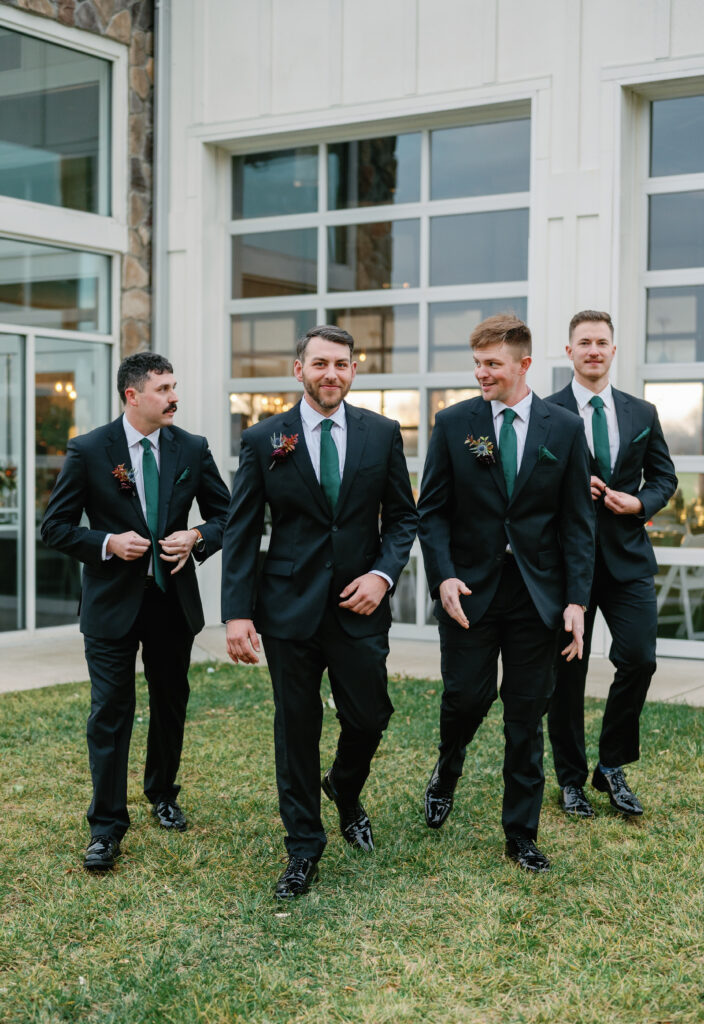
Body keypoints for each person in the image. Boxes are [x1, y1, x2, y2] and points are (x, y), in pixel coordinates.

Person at [221, 325, 417, 899]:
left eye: (341, 364)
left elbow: (403, 518)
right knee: (297, 730)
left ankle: (346, 788)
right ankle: (303, 849)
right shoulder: (263, 439)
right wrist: (237, 612)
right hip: (287, 610)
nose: (331, 373)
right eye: (320, 363)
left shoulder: (381, 434)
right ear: (299, 369)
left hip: (360, 607)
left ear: (354, 371)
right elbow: (241, 527)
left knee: (370, 715)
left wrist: (382, 576)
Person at [418, 314, 595, 872]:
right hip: (468, 590)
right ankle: (449, 765)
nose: (481, 374)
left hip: (537, 598)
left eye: (492, 364)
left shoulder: (563, 428)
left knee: (526, 715)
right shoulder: (453, 423)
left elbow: (576, 523)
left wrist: (576, 600)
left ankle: (521, 834)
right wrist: (443, 575)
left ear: (524, 365)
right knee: (466, 698)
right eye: (477, 363)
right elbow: (432, 512)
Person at [41, 353, 230, 871]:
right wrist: (105, 543)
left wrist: (195, 536)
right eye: (164, 388)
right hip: (110, 606)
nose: (174, 397)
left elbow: (226, 513)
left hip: (173, 603)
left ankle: (162, 793)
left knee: (170, 702)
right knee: (110, 711)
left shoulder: (191, 447)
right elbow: (54, 527)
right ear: (133, 395)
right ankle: (106, 828)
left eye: (175, 387)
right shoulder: (88, 450)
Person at [547, 310, 677, 819]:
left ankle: (612, 764)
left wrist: (638, 503)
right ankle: (571, 780)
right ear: (570, 351)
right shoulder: (547, 411)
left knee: (640, 657)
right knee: (567, 676)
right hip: (565, 566)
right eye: (584, 342)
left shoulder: (642, 412)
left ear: (613, 350)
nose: (594, 350)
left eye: (602, 342)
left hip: (627, 561)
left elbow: (664, 478)